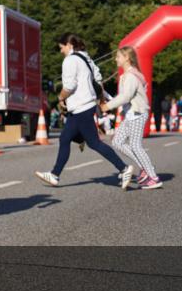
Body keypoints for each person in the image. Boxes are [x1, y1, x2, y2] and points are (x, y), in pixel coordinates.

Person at [35, 33, 128, 188]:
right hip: (86, 105)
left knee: (94, 143)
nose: (61, 51)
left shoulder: (70, 61)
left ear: (69, 45)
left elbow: (69, 86)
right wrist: (99, 98)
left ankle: (124, 168)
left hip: (80, 107)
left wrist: (60, 97)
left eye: (61, 47)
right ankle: (55, 174)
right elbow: (98, 80)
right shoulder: (86, 58)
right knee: (65, 138)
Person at [100, 46, 162, 189]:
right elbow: (124, 97)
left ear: (126, 58)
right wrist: (106, 97)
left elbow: (126, 96)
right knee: (117, 142)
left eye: (118, 56)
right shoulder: (128, 75)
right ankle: (145, 168)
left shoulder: (131, 76)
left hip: (137, 114)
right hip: (131, 115)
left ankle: (153, 177)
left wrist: (107, 106)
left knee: (135, 146)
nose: (116, 59)